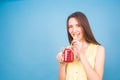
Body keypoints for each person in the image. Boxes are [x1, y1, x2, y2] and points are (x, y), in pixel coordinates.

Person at [56, 11, 105, 80]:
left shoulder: (99, 49)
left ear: (85, 27)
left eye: (78, 25)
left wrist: (82, 54)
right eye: (70, 26)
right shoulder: (67, 50)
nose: (74, 30)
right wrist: (62, 63)